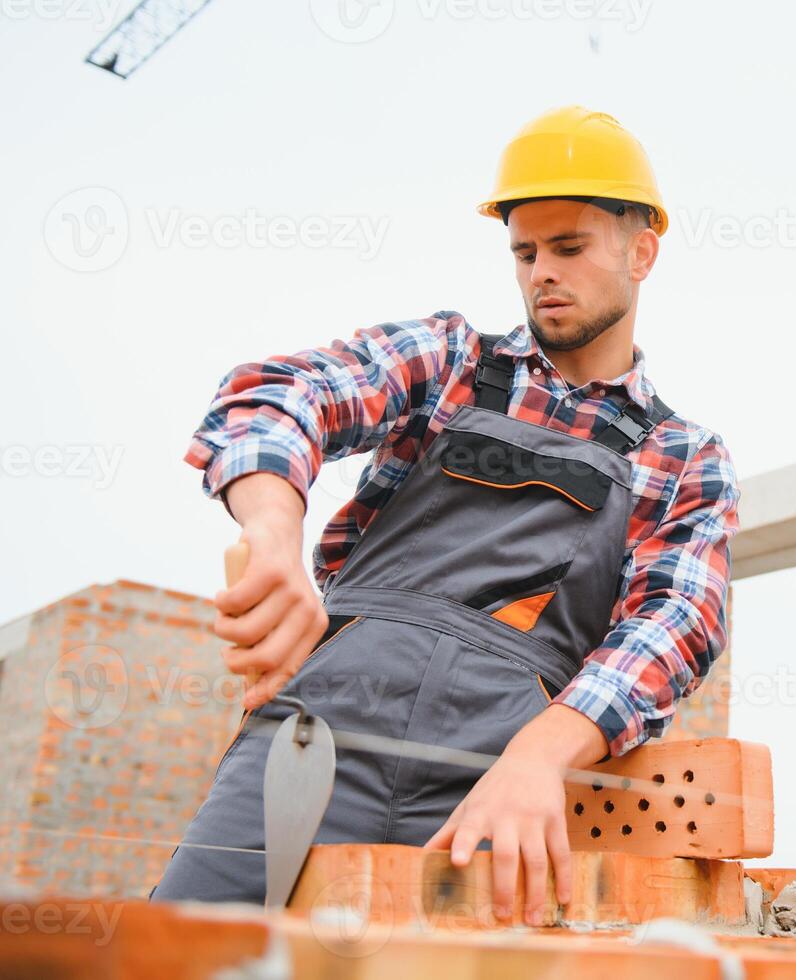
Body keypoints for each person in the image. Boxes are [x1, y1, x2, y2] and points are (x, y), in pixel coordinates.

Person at [149, 106, 741, 927]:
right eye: (525, 252)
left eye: (568, 248)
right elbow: (279, 394)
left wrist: (541, 754)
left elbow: (676, 622)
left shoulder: (680, 456)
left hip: (499, 782)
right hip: (319, 736)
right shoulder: (454, 363)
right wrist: (275, 531)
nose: (541, 274)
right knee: (186, 948)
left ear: (641, 252)